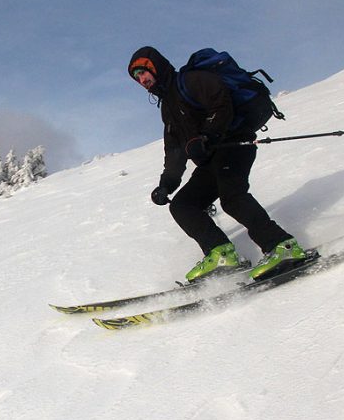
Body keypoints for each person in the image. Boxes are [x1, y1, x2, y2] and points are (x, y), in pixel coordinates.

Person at [128, 46, 308, 282]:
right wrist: (166, 185)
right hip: (211, 159)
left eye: (143, 72)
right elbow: (174, 150)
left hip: (233, 145)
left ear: (156, 67)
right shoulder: (168, 108)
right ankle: (221, 253)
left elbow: (221, 102)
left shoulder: (189, 80)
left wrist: (207, 136)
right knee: (183, 205)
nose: (142, 80)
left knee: (232, 197)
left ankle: (282, 247)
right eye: (137, 78)